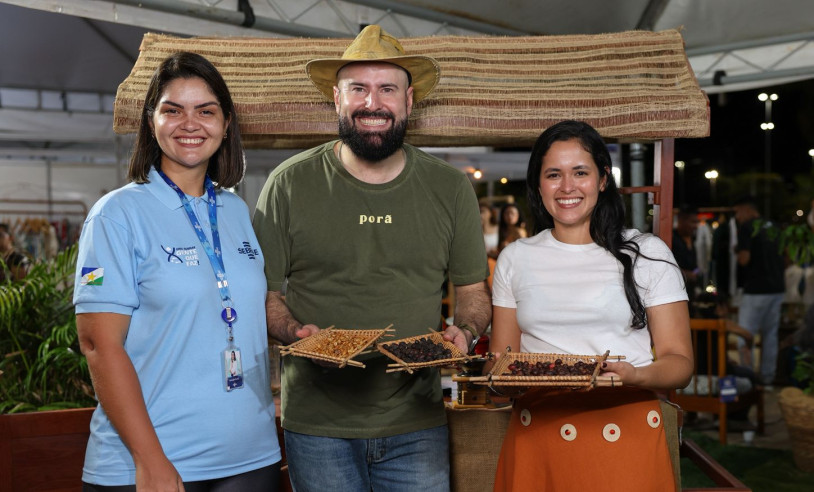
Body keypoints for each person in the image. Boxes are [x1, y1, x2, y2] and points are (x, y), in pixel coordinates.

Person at [252, 25, 491, 492]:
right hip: (317, 425)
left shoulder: (449, 188)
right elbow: (264, 294)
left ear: (409, 100)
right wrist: (296, 333)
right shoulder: (289, 184)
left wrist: (465, 331)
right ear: (337, 99)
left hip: (417, 422)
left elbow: (473, 291)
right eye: (358, 88)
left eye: (387, 89)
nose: (372, 103)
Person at [73, 52, 281, 491]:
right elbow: (97, 345)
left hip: (251, 457)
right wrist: (150, 460)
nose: (190, 124)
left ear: (225, 123)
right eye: (173, 110)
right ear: (152, 121)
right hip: (154, 463)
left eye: (206, 111)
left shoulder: (235, 210)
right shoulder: (116, 215)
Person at [489, 120, 692, 491]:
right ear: (538, 184)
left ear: (603, 179)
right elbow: (502, 363)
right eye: (554, 174)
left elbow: (679, 363)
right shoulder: (514, 258)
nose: (567, 187)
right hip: (539, 438)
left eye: (580, 172)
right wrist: (496, 379)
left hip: (624, 438)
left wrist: (633, 376)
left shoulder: (647, 252)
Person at [732, 195, 785, 388]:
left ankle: (749, 379)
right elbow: (786, 256)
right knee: (770, 336)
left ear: (747, 209)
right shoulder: (774, 226)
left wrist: (736, 251)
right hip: (777, 288)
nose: (737, 217)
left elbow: (744, 259)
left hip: (756, 289)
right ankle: (768, 378)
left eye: (738, 212)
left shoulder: (747, 227)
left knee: (745, 335)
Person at [672, 205, 701, 300]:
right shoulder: (671, 240)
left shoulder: (693, 240)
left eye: (696, 222)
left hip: (690, 293)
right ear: (681, 221)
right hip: (676, 294)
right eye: (693, 222)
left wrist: (695, 272)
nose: (695, 226)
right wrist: (684, 273)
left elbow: (695, 267)